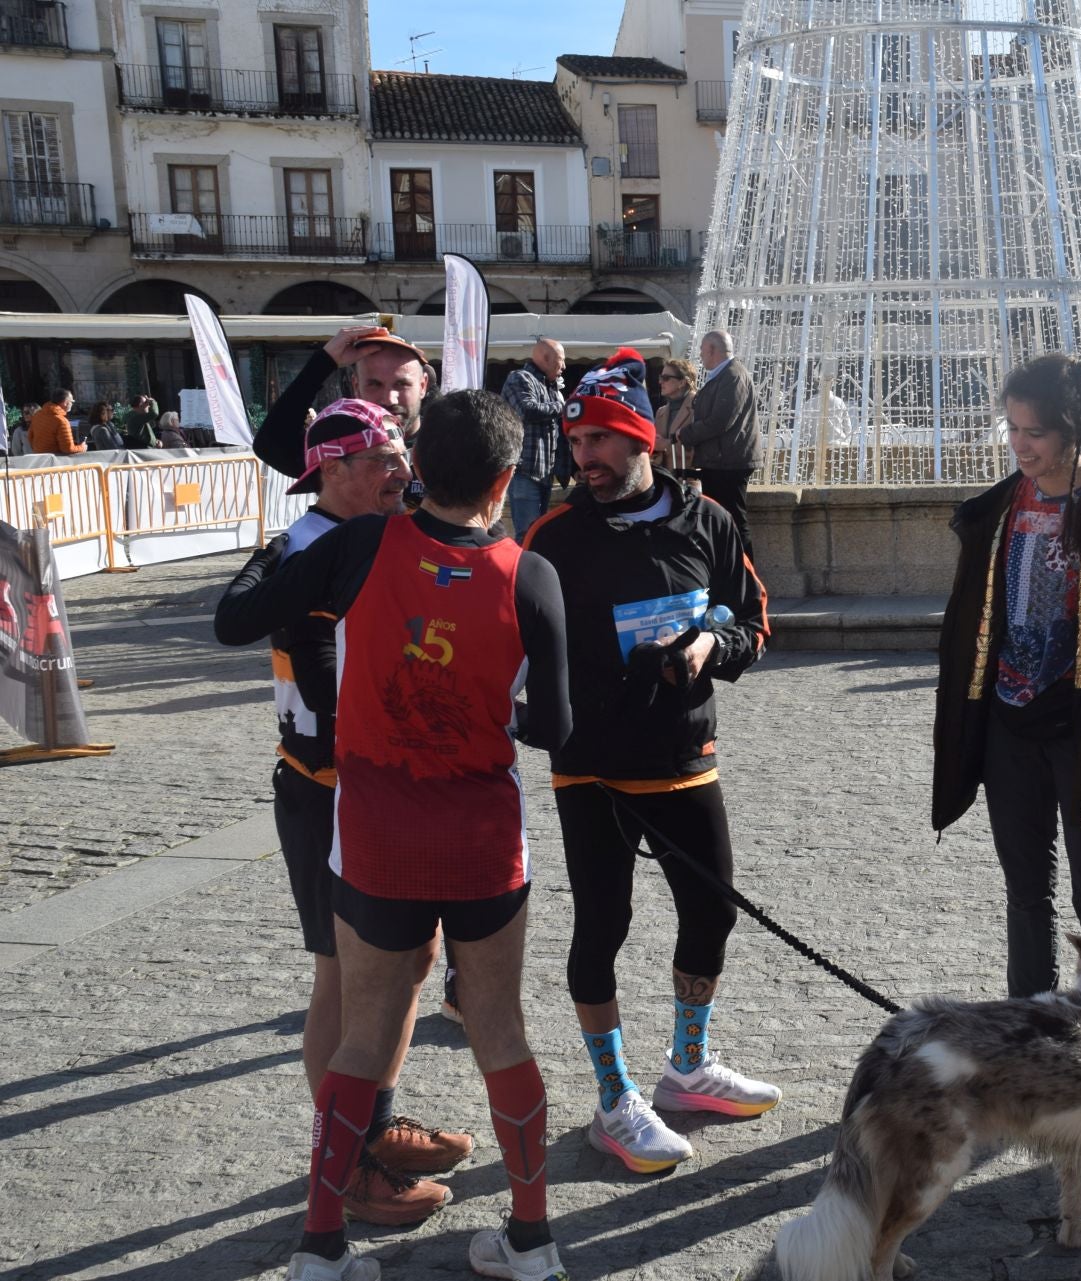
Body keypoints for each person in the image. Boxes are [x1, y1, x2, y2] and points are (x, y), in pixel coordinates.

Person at [214, 389, 574, 1281]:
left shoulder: (358, 544)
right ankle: (531, 1242)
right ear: (503, 480)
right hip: (484, 837)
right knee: (501, 1029)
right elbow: (554, 727)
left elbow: (243, 614)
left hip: (373, 830)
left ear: (418, 466)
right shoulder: (532, 574)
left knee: (361, 1037)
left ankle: (321, 1248)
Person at [521, 349, 776, 1178]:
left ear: (645, 442)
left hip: (684, 757)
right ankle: (612, 1098)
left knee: (714, 916)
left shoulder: (709, 521)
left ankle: (687, 1066)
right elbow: (514, 652)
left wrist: (711, 642)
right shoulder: (553, 537)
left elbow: (753, 621)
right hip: (591, 769)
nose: (584, 456)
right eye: (577, 440)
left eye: (602, 440)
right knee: (603, 930)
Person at [255, 399, 475, 1227]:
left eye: (400, 455)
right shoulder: (303, 548)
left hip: (381, 782)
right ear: (332, 471)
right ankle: (346, 1161)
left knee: (408, 959)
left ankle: (375, 1127)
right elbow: (313, 669)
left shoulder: (384, 536)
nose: (401, 471)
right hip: (325, 784)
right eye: (383, 459)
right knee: (342, 978)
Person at [932, 352, 1081, 999]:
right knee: (1026, 893)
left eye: (1034, 431)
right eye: (1012, 429)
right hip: (1011, 725)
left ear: (1072, 429)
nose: (1020, 445)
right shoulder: (998, 509)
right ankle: (1027, 1022)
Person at [257, 324, 435, 483]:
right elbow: (271, 445)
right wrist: (323, 363)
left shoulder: (447, 443)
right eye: (374, 384)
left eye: (401, 384)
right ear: (356, 386)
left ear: (423, 385)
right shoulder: (341, 447)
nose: (389, 399)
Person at [679, 329, 760, 556]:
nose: (701, 356)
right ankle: (735, 578)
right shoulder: (724, 375)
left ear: (712, 350)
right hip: (721, 460)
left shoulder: (732, 376)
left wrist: (686, 434)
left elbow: (719, 421)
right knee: (725, 521)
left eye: (703, 351)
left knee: (733, 522)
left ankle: (746, 581)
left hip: (728, 462)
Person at [502, 338, 568, 538]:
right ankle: (523, 570)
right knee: (527, 534)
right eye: (561, 360)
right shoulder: (520, 378)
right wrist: (563, 407)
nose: (564, 366)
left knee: (537, 534)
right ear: (546, 358)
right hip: (525, 471)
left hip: (544, 473)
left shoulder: (551, 387)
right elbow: (527, 410)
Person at [651, 357, 700, 476]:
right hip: (666, 479)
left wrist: (666, 444)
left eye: (666, 378)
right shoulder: (661, 412)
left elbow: (701, 448)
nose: (660, 382)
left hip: (689, 479)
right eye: (660, 377)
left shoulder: (699, 406)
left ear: (682, 382)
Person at [28, 390, 84, 455]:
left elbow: (30, 437)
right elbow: (68, 449)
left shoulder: (38, 415)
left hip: (40, 458)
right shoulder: (61, 421)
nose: (72, 404)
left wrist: (38, 450)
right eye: (72, 402)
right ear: (65, 403)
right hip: (56, 460)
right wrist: (82, 447)